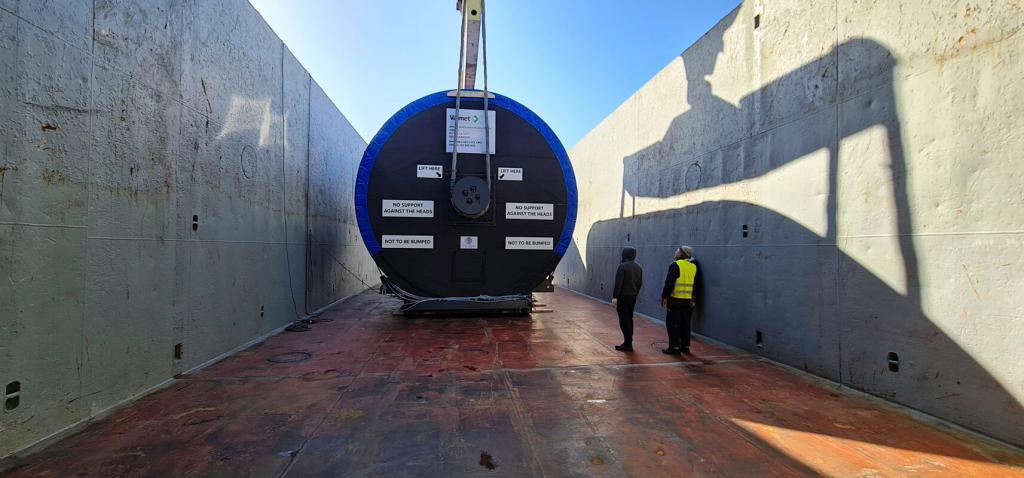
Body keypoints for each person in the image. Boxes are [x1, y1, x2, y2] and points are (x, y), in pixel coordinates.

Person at [660, 246, 698, 355]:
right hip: (688, 300)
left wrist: (664, 296)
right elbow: (695, 285)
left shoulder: (675, 265)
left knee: (672, 323)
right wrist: (693, 299)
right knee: (685, 323)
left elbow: (669, 283)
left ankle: (674, 347)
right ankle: (685, 346)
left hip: (675, 299)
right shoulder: (693, 267)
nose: (675, 252)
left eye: (677, 250)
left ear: (681, 254)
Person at [611, 246, 642, 352]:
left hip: (623, 297)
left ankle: (627, 343)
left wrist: (615, 297)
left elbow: (618, 283)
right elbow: (639, 284)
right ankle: (629, 341)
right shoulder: (638, 267)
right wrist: (635, 293)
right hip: (632, 296)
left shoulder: (622, 266)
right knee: (629, 318)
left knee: (624, 320)